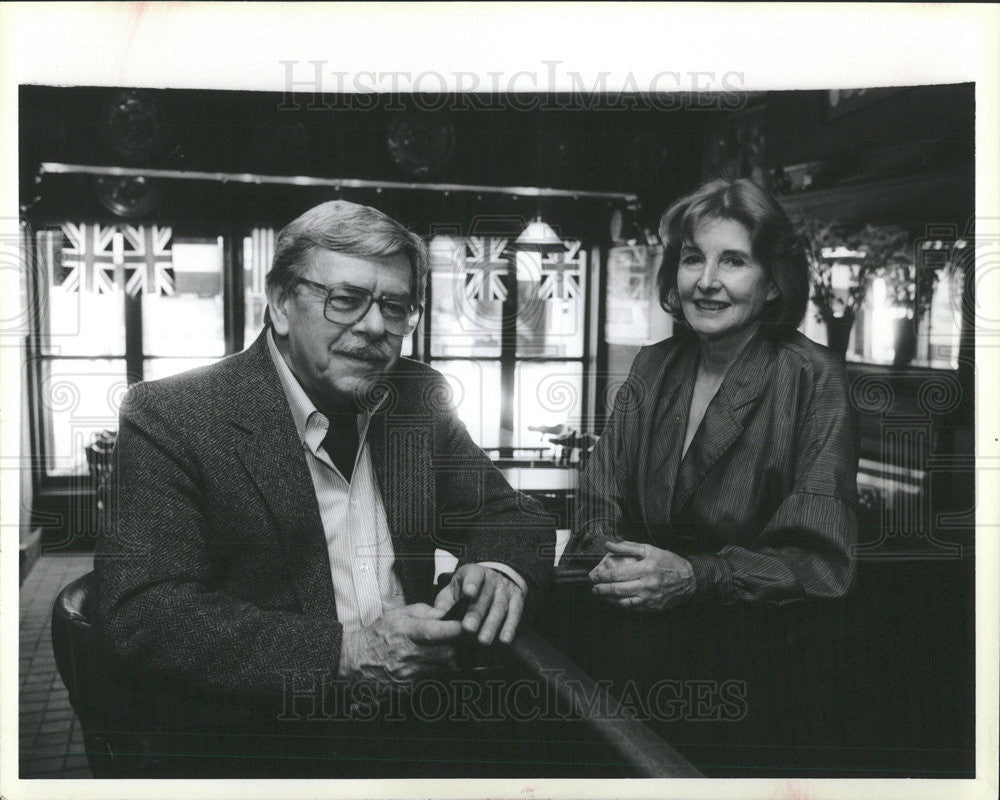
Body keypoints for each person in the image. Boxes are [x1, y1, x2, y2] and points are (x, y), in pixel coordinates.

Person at [94, 200, 554, 777]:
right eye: (345, 299)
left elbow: (511, 513)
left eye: (395, 306)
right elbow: (144, 613)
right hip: (264, 745)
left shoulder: (416, 397)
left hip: (419, 725)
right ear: (282, 304)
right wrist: (347, 653)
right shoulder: (174, 415)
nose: (373, 327)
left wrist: (498, 565)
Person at [556, 179, 859, 772]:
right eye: (694, 258)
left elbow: (820, 563)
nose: (707, 281)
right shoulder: (655, 363)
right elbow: (598, 491)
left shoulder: (811, 378)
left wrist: (695, 575)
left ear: (773, 282)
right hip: (631, 655)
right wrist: (612, 557)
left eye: (734, 261)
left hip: (753, 677)